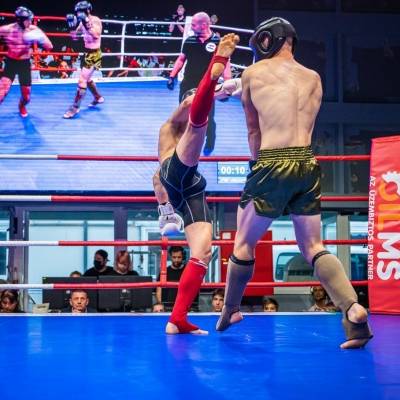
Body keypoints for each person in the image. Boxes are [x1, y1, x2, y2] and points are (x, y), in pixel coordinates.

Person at [216, 17, 373, 349]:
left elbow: (254, 130)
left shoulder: (253, 73)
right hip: (307, 162)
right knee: (313, 246)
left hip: (272, 161)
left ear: (268, 40)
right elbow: (302, 117)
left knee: (243, 244)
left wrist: (258, 166)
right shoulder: (314, 78)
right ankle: (353, 309)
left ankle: (230, 309)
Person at [154, 33, 239, 334]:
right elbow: (191, 104)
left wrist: (226, 89)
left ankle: (177, 319)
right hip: (174, 172)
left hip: (190, 187)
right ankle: (219, 58)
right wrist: (217, 83)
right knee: (197, 124)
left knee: (202, 253)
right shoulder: (169, 127)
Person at [166, 12, 232, 156]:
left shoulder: (218, 42)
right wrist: (172, 76)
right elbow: (181, 59)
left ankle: (210, 140)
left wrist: (228, 83)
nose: (191, 26)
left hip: (208, 84)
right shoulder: (189, 41)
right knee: (183, 112)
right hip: (188, 82)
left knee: (208, 114)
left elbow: (225, 63)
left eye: (194, 24)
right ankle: (182, 142)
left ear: (204, 25)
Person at [0, 6, 53, 117]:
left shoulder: (33, 30)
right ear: (20, 20)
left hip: (24, 64)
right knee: (1, 93)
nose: (30, 22)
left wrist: (38, 38)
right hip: (11, 63)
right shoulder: (6, 30)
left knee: (27, 98)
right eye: (28, 20)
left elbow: (49, 46)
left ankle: (21, 106)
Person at [63, 1, 104, 118]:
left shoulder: (95, 20)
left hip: (94, 54)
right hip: (86, 53)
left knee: (82, 80)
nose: (78, 14)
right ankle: (98, 97)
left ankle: (75, 108)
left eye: (81, 12)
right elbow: (74, 38)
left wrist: (87, 23)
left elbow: (96, 35)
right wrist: (71, 27)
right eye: (78, 12)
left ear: (87, 11)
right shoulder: (81, 22)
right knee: (88, 79)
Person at [156, 246, 187, 310]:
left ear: (183, 257)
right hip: (167, 307)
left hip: (185, 306)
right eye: (174, 257)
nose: (176, 260)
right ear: (171, 257)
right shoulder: (164, 272)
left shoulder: (188, 271)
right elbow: (159, 290)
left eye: (179, 257)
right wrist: (161, 305)